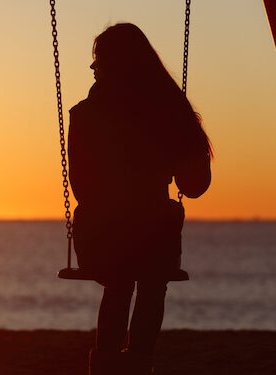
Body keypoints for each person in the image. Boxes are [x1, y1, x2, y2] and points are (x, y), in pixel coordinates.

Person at [68, 23, 212, 375]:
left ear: (109, 66)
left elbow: (81, 186)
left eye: (97, 63)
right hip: (152, 233)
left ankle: (105, 365)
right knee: (151, 282)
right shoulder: (170, 108)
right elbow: (194, 185)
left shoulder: (85, 114)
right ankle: (139, 362)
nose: (95, 70)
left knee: (118, 282)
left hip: (101, 233)